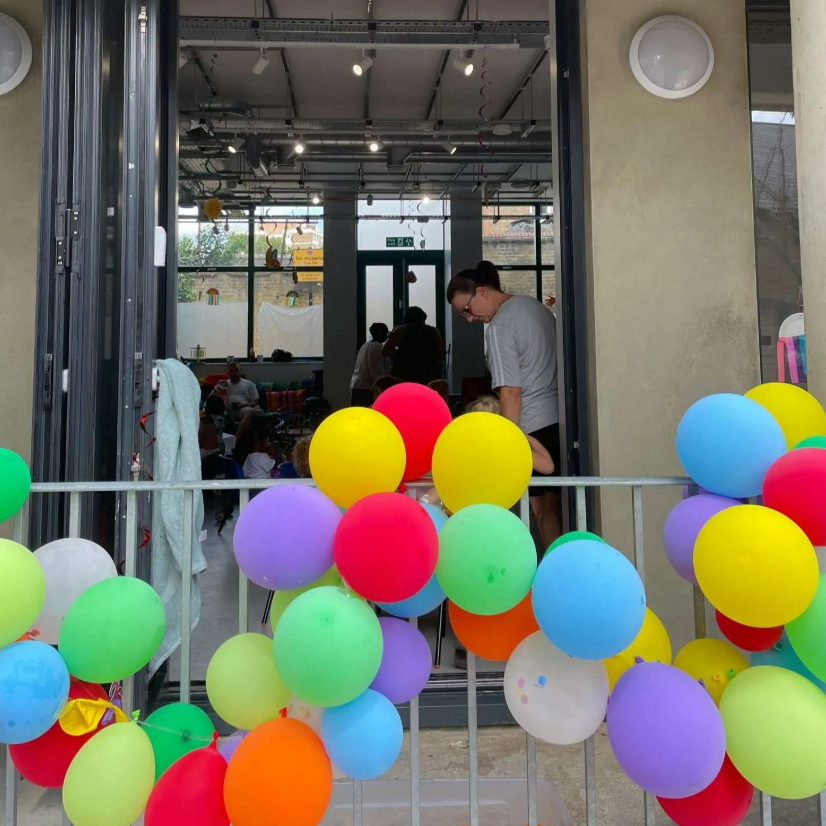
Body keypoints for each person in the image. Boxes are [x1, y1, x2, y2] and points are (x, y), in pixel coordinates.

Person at [446, 261, 562, 550]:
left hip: (530, 429)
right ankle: (560, 576)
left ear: (482, 292)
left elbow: (510, 390)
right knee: (555, 511)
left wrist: (508, 441)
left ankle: (537, 585)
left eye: (467, 310)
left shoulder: (499, 327)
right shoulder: (535, 308)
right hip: (557, 422)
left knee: (535, 517)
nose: (470, 319)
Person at [383, 306, 445, 386]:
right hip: (427, 375)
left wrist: (397, 350)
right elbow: (441, 354)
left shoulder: (400, 331)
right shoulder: (432, 331)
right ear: (422, 318)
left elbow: (385, 351)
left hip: (402, 375)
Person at [222, 361, 260, 448]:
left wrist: (242, 405)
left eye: (236, 370)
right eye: (231, 371)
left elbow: (256, 402)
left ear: (240, 370)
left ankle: (234, 443)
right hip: (229, 410)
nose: (234, 373)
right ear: (228, 373)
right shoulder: (224, 384)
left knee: (251, 412)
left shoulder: (249, 384)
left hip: (243, 409)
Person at [350, 323, 390, 406]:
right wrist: (380, 388)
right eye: (386, 332)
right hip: (366, 388)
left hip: (357, 385)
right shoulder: (377, 347)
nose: (387, 334)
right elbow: (376, 370)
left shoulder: (365, 345)